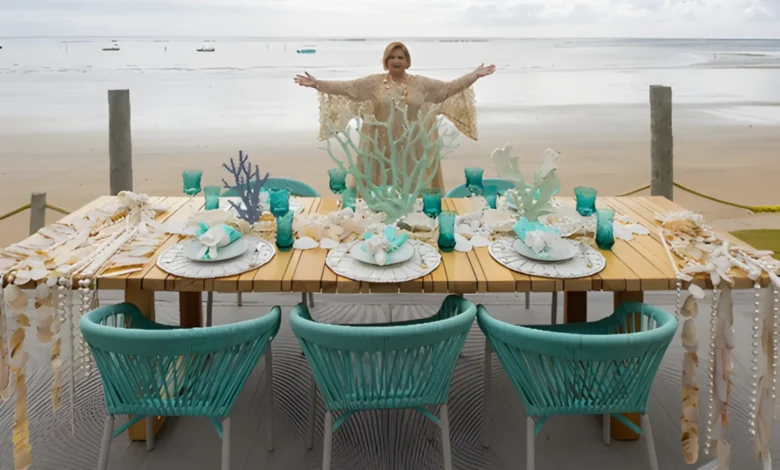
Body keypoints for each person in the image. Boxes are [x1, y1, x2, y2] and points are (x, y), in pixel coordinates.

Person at [294, 41, 495, 190]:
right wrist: (317, 84)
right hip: (380, 145)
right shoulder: (374, 83)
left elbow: (447, 89)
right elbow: (348, 88)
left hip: (413, 145)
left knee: (412, 188)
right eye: (392, 57)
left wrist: (474, 76)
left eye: (400, 57)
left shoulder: (421, 84)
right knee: (381, 187)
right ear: (386, 61)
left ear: (407, 61)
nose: (396, 61)